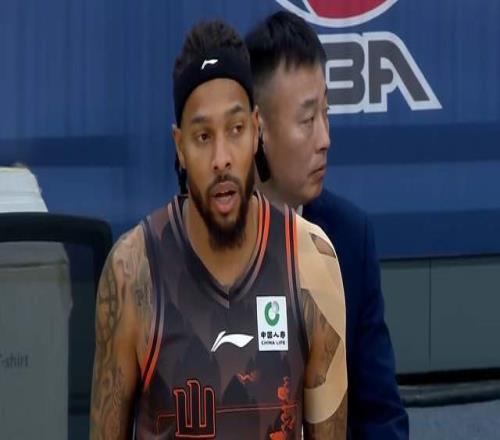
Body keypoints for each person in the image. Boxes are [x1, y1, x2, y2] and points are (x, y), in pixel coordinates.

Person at [90, 19, 347, 439]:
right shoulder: (132, 271)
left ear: (257, 130)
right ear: (179, 147)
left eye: (235, 129)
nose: (221, 158)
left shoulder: (312, 262)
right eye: (203, 136)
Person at [246, 11, 409, 439]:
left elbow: (381, 414)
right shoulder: (208, 241)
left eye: (326, 114)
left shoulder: (349, 238)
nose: (325, 139)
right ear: (257, 130)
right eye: (306, 120)